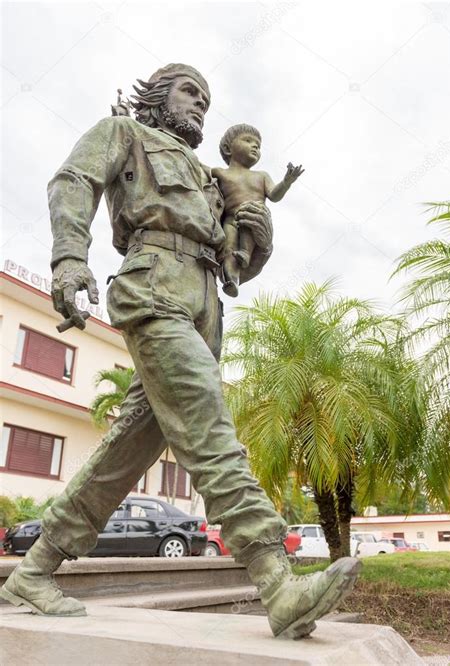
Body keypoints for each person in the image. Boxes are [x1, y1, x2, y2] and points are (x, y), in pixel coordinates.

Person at [0, 63, 360, 639]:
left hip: (206, 297)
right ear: (158, 95)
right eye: (190, 91)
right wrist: (69, 259)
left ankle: (34, 570)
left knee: (130, 447)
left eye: (207, 98)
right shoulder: (125, 134)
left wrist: (254, 241)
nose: (199, 104)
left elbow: (233, 254)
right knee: (205, 418)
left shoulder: (208, 174)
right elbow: (72, 181)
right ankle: (277, 579)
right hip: (153, 282)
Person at [213, 124, 304, 297]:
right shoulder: (220, 173)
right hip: (231, 220)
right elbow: (198, 168)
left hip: (254, 218)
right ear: (227, 148)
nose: (255, 146)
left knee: (249, 219)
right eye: (248, 141)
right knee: (229, 248)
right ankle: (231, 280)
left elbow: (274, 196)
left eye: (258, 145)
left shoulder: (261, 176)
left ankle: (246, 253)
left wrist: (286, 182)